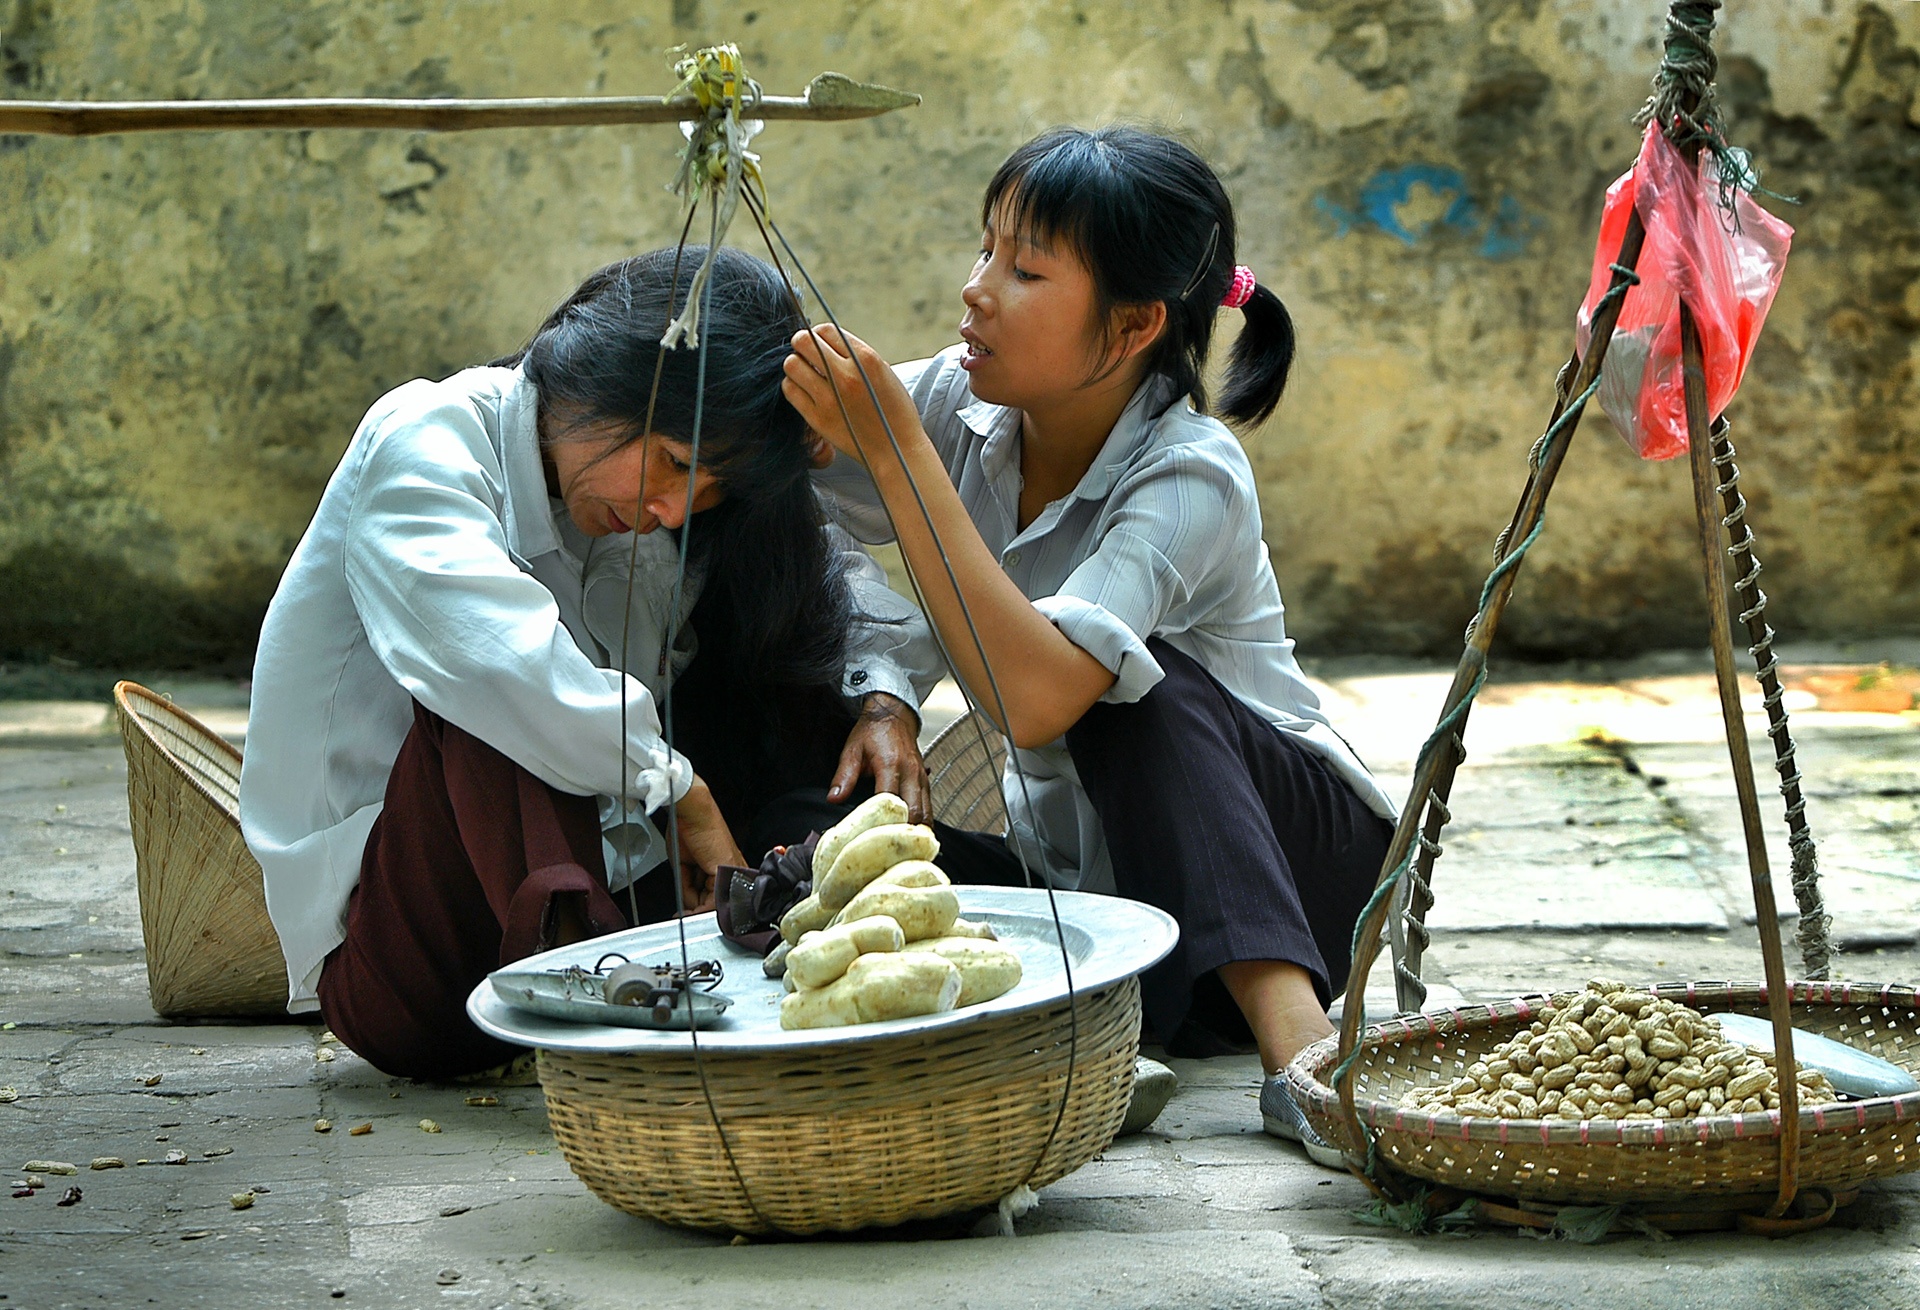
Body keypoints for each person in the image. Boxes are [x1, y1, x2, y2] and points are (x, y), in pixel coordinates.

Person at [784, 126, 1398, 1164]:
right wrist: (886, 690)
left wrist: (894, 455)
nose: (977, 288)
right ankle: (1070, 1029)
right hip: (1119, 898)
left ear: (1131, 329)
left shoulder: (1188, 472)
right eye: (985, 250)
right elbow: (798, 510)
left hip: (1298, 879)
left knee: (1127, 692)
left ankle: (1304, 1055)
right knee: (821, 813)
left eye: (1024, 268)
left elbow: (1037, 699)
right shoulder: (954, 408)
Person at [240, 246, 940, 1079]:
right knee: (499, 704)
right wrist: (677, 788)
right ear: (604, 383)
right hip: (407, 971)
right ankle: (626, 1016)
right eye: (675, 460)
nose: (671, 507)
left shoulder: (647, 511)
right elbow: (492, 660)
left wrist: (883, 704)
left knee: (778, 612)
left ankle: (815, 942)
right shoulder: (425, 440)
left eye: (706, 487)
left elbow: (827, 570)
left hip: (627, 915)